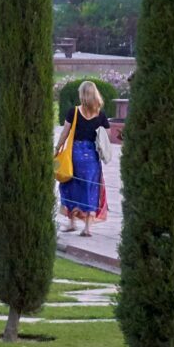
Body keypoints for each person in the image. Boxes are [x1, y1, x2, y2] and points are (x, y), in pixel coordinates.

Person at [56, 80, 111, 234]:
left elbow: (65, 134)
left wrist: (57, 148)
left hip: (74, 155)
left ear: (82, 95)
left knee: (69, 186)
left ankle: (72, 222)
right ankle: (87, 228)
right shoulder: (100, 115)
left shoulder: (73, 112)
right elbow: (107, 135)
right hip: (92, 157)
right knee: (90, 189)